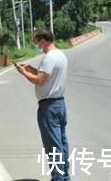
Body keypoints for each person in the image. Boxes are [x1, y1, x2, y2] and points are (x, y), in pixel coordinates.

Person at [16, 30, 71, 181]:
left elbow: (40, 80)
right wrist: (31, 69)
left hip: (49, 107)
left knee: (53, 147)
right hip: (60, 104)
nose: (36, 45)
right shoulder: (60, 55)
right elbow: (46, 76)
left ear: (42, 41)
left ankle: (58, 178)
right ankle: (64, 177)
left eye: (36, 42)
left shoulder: (49, 57)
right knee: (62, 144)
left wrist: (23, 73)